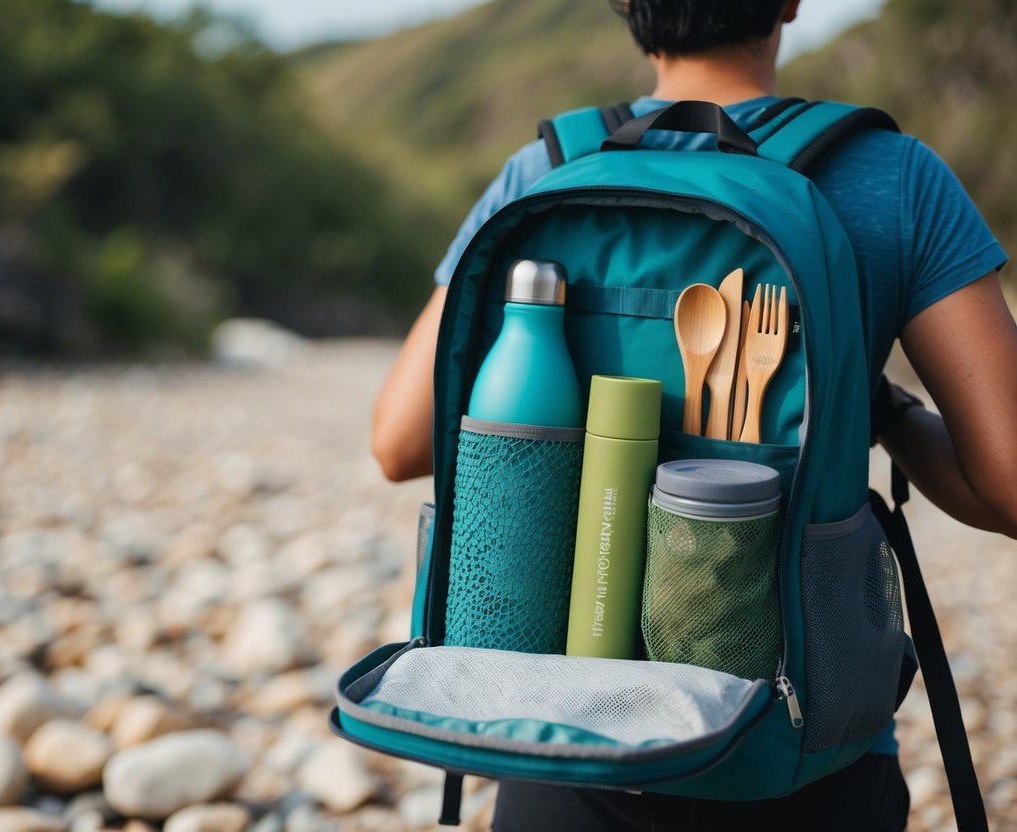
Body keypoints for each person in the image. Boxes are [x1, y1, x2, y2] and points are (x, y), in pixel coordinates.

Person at [371, 0, 1017, 828]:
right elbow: (1006, 487)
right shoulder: (892, 175)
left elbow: (397, 443)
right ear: (788, 3)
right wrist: (880, 409)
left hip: (554, 731)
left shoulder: (543, 170)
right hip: (798, 748)